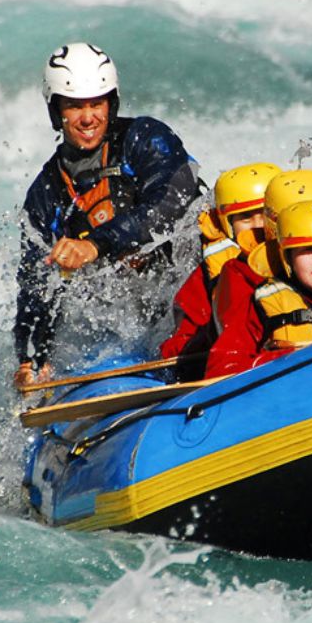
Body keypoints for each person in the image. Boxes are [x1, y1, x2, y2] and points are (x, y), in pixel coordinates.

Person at [14, 42, 203, 391]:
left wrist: (96, 245)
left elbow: (172, 200)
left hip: (194, 292)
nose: (88, 118)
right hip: (131, 322)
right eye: (74, 106)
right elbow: (34, 288)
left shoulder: (146, 139)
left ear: (111, 104)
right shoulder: (45, 195)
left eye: (96, 103)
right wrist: (31, 359)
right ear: (57, 112)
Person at [205, 198, 312, 378]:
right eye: (308, 250)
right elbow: (221, 367)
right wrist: (284, 358)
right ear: (287, 258)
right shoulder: (263, 303)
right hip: (293, 394)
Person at [158, 162, 280, 365]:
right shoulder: (208, 276)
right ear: (227, 225)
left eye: (264, 214)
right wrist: (207, 337)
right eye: (245, 218)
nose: (258, 225)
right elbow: (179, 342)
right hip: (235, 361)